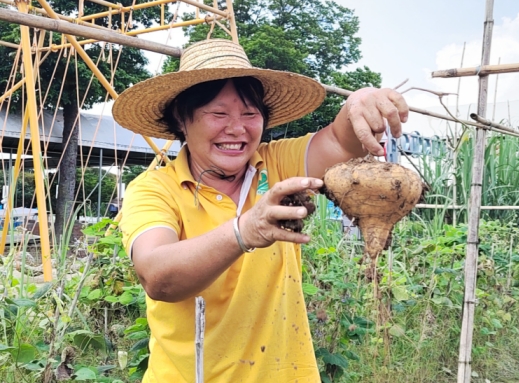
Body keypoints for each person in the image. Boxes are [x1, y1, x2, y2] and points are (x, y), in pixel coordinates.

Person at [112, 39, 408, 382]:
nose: (237, 129)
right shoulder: (154, 189)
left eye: (250, 114)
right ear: (181, 118)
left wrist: (359, 102)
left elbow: (341, 141)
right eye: (218, 114)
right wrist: (244, 231)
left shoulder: (276, 164)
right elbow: (158, 276)